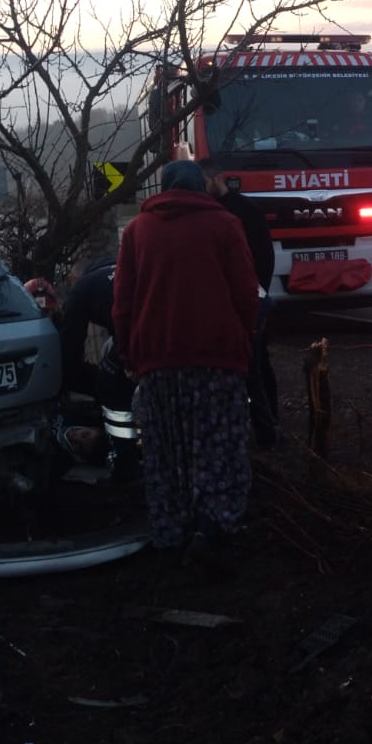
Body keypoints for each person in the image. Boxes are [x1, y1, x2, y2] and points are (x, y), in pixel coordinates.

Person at [112, 158, 259, 556]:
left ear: (163, 188)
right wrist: (243, 341)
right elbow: (246, 293)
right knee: (218, 447)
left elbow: (123, 301)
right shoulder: (226, 226)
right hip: (218, 361)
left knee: (166, 452)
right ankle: (214, 523)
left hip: (157, 362)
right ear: (201, 188)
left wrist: (129, 353)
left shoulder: (138, 231)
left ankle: (171, 531)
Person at [202, 161, 280, 448]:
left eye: (203, 182)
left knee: (258, 366)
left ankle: (269, 425)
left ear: (216, 178)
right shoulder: (213, 212)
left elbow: (263, 256)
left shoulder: (245, 211)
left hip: (250, 299)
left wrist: (257, 293)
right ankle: (256, 425)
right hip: (231, 302)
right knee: (250, 367)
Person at [58, 257, 140, 481]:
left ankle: (125, 462)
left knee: (112, 388)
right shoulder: (121, 266)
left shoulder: (82, 289)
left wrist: (84, 383)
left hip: (137, 334)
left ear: (77, 277)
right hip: (171, 326)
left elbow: (70, 348)